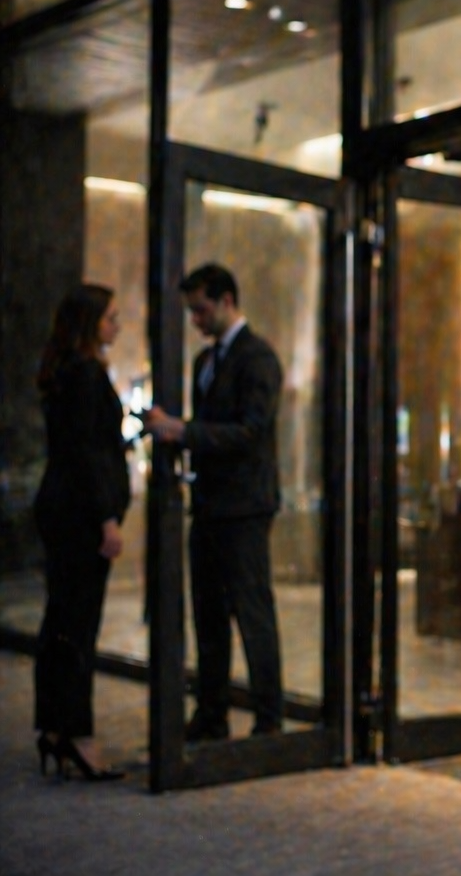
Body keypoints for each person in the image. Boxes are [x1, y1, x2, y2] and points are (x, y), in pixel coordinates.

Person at [144, 263, 284, 740]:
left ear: (227, 301)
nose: (196, 321)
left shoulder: (258, 358)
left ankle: (268, 719)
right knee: (208, 613)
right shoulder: (206, 361)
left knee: (251, 611)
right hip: (210, 504)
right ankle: (211, 713)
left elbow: (250, 432)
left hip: (244, 508)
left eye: (201, 310)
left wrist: (183, 432)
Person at [32, 284, 130, 781]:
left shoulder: (64, 372)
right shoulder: (87, 374)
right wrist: (107, 518)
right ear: (90, 323)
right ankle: (77, 736)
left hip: (61, 510)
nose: (117, 325)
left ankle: (55, 729)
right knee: (78, 627)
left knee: (60, 621)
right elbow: (88, 454)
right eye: (110, 317)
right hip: (81, 516)